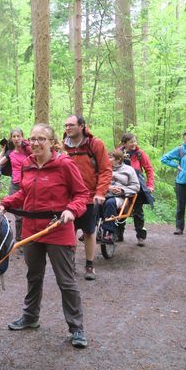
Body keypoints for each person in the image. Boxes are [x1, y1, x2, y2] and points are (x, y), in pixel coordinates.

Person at [0, 124, 90, 348]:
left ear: (52, 143)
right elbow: (23, 192)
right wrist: (4, 204)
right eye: (33, 138)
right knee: (34, 275)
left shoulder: (64, 165)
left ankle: (76, 328)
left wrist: (71, 210)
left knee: (66, 281)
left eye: (42, 139)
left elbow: (81, 194)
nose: (36, 142)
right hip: (32, 229)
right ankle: (30, 317)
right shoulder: (28, 164)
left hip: (57, 229)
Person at [62, 114, 112, 280]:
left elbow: (105, 170)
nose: (67, 128)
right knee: (69, 231)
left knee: (89, 232)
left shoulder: (95, 144)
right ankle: (70, 263)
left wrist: (100, 192)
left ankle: (89, 265)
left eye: (71, 125)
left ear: (82, 126)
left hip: (89, 197)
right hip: (68, 198)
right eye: (66, 125)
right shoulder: (63, 147)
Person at [116, 133, 155, 246]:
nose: (134, 144)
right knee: (120, 209)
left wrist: (150, 185)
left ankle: (140, 237)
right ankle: (119, 234)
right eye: (131, 142)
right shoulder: (118, 153)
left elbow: (149, 169)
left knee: (137, 211)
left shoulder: (139, 154)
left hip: (136, 186)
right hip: (121, 184)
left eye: (135, 141)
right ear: (124, 143)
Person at [0, 127, 31, 240]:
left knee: (27, 213)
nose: (16, 138)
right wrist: (3, 150)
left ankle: (27, 237)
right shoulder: (10, 152)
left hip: (27, 185)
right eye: (14, 136)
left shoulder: (28, 151)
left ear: (22, 137)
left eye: (18, 136)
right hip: (14, 185)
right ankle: (18, 239)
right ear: (11, 138)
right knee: (17, 215)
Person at [99, 150, 140, 243]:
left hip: (121, 197)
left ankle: (109, 233)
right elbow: (96, 184)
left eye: (110, 158)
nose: (107, 159)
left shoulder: (129, 170)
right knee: (94, 203)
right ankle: (90, 231)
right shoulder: (103, 169)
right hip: (105, 194)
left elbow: (136, 187)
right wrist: (108, 188)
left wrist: (122, 190)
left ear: (119, 159)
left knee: (110, 203)